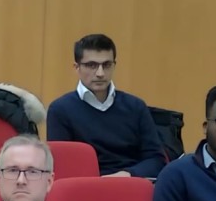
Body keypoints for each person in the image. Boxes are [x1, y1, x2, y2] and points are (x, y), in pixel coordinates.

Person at [46, 34, 164, 178]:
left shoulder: (136, 106)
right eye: (92, 65)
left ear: (114, 65)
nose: (100, 73)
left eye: (107, 65)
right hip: (85, 187)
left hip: (131, 183)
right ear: (76, 68)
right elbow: (63, 164)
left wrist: (126, 174)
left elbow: (156, 160)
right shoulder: (60, 110)